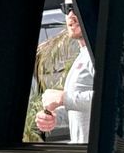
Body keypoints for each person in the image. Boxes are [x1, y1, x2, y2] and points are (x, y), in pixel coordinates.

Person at [34, 10, 93, 141]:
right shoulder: (83, 55)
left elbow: (114, 101)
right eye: (66, 8)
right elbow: (83, 111)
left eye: (77, 7)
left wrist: (63, 98)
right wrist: (55, 117)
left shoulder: (96, 55)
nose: (71, 14)